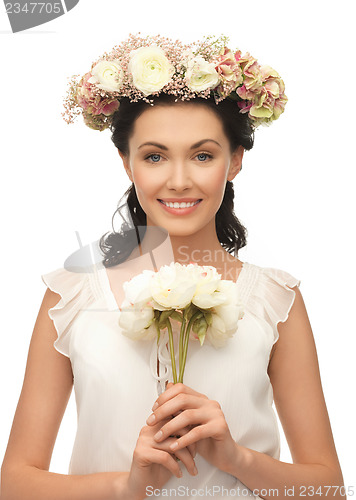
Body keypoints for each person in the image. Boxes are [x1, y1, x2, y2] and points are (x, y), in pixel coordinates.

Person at [0, 33, 345, 500]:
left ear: (235, 161)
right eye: (154, 156)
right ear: (126, 163)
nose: (179, 181)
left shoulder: (274, 299)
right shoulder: (72, 298)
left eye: (203, 155)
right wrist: (128, 487)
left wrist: (235, 457)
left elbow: (325, 489)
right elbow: (14, 483)